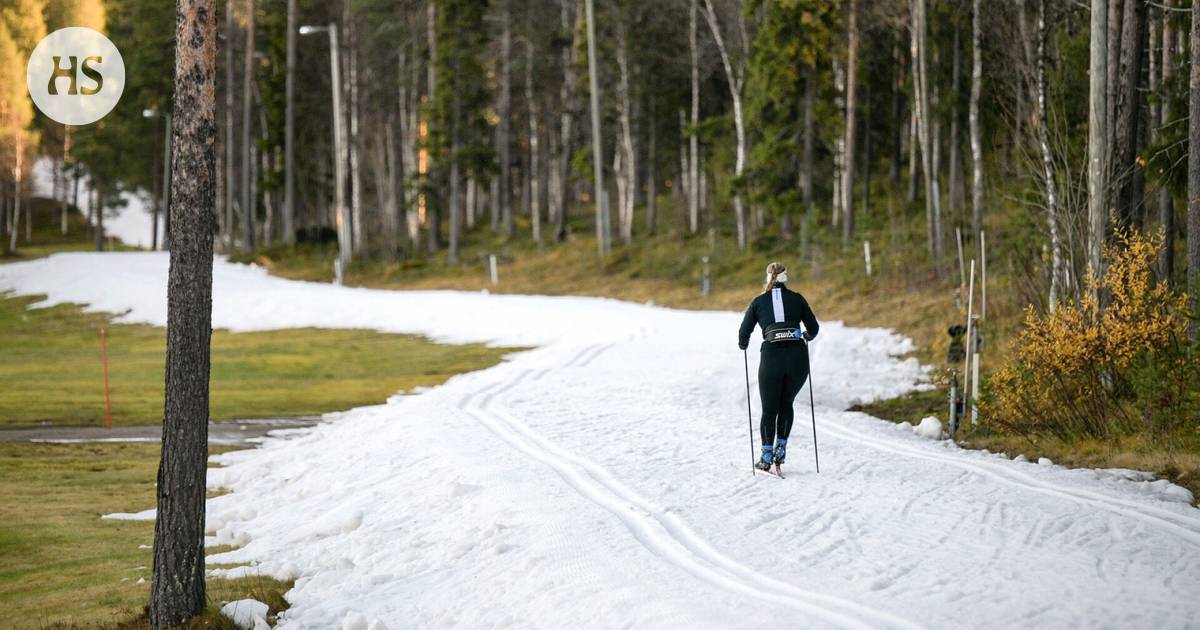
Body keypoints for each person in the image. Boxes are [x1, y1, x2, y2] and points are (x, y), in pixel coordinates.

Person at [738, 262, 820, 472]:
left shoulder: (758, 302)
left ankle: (766, 455)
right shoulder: (797, 298)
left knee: (769, 409)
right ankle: (780, 450)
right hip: (797, 358)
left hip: (771, 357)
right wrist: (806, 336)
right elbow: (814, 328)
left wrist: (744, 344)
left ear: (767, 278)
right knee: (786, 403)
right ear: (786, 278)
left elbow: (743, 333)